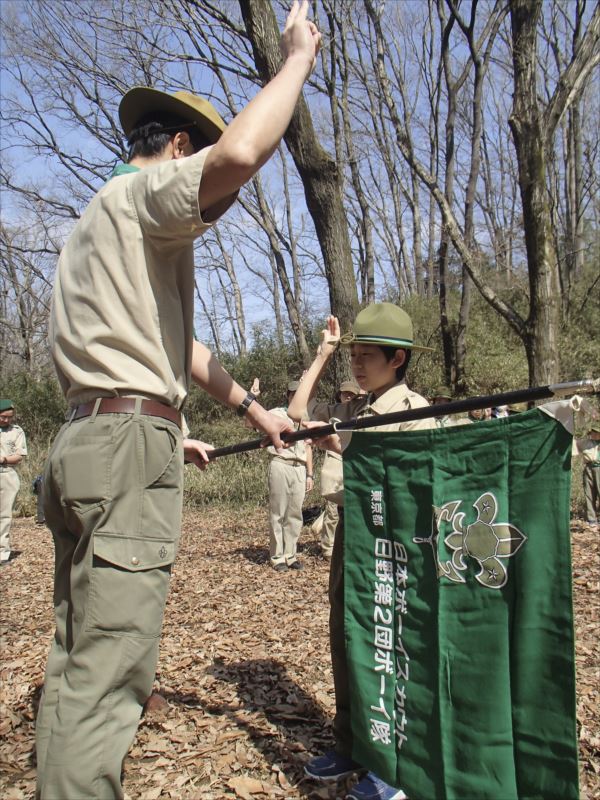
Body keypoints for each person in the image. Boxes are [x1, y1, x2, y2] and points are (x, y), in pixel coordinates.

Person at [35, 4, 322, 798]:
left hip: (85, 444)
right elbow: (240, 153)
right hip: (123, 449)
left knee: (77, 659)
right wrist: (296, 60)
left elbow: (178, 352)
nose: (209, 207)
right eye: (196, 180)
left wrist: (252, 413)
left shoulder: (95, 223)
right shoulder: (143, 197)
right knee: (109, 675)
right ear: (175, 150)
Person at [288, 303, 435, 800]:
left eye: (367, 355)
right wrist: (323, 354)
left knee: (387, 646)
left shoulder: (417, 412)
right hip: (354, 537)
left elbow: (421, 489)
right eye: (353, 354)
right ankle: (353, 741)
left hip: (394, 548)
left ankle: (390, 767)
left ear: (398, 360)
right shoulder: (354, 410)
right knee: (347, 637)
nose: (357, 363)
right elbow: (295, 415)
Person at [266, 380, 313, 571]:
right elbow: (250, 422)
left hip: (300, 468)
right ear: (288, 395)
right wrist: (252, 395)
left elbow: (309, 447)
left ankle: (290, 555)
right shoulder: (277, 413)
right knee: (278, 512)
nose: (296, 397)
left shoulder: (307, 417)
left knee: (295, 513)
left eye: (299, 393)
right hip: (280, 463)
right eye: (293, 393)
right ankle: (277, 556)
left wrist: (310, 474)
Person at [312, 380, 361, 558]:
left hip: (355, 465)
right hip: (336, 462)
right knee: (333, 510)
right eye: (345, 393)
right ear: (339, 394)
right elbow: (305, 412)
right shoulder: (332, 414)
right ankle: (328, 548)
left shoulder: (361, 413)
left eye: (352, 394)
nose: (347, 396)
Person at [0, 399, 27, 565]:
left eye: (9, 417)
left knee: (4, 515)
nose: (6, 420)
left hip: (6, 474)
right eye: (3, 416)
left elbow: (20, 456)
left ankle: (2, 553)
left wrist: (4, 459)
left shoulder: (16, 431)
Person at [572, 422, 600, 526]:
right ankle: (592, 519)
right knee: (589, 493)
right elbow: (573, 444)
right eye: (593, 432)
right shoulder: (585, 442)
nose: (594, 434)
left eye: (596, 432)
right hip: (589, 468)